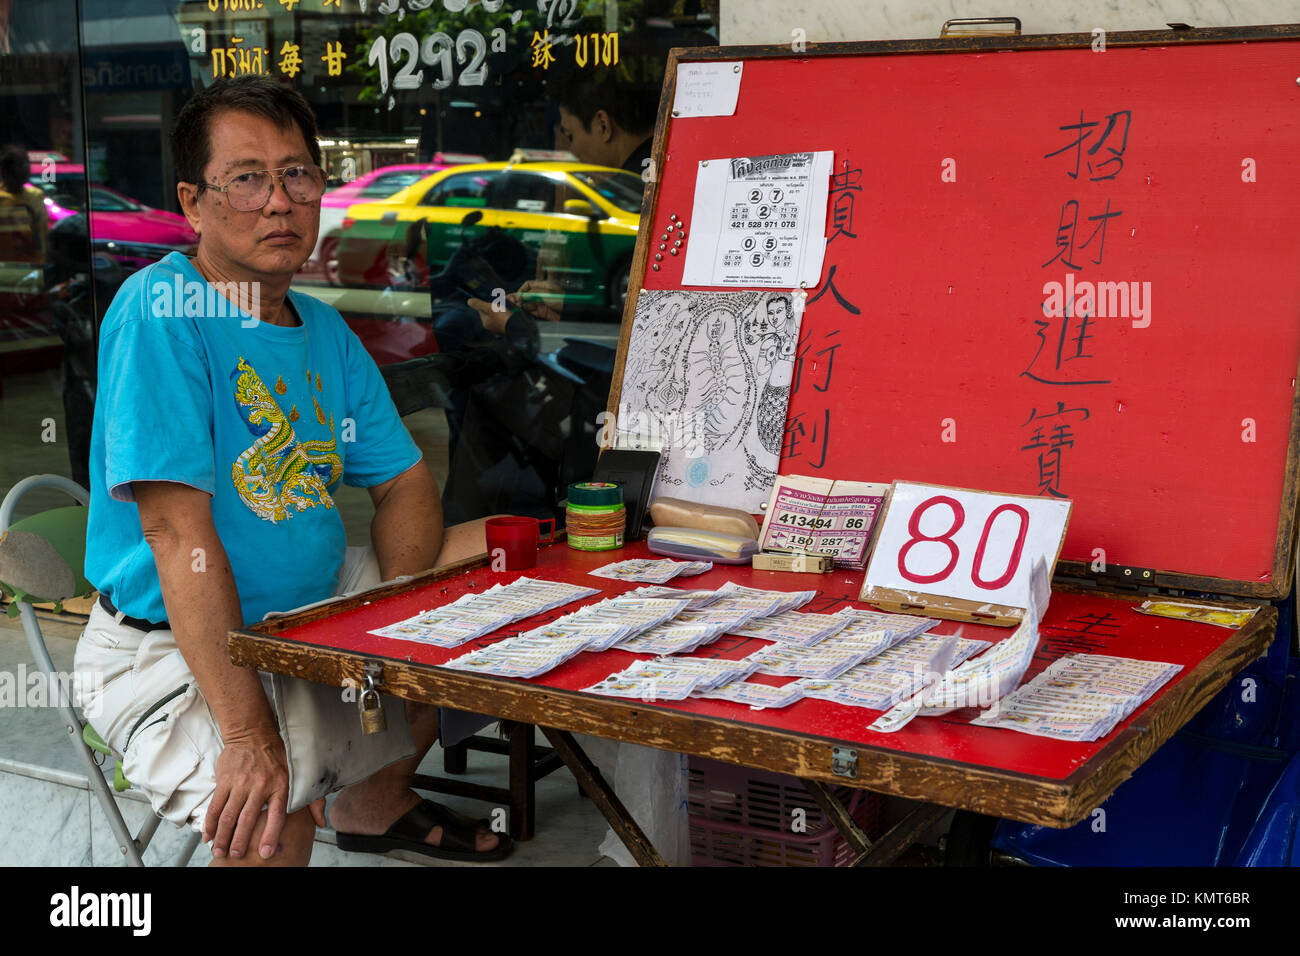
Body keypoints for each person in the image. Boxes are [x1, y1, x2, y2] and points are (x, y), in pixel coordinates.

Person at [73, 75, 507, 866]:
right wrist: (247, 736)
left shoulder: (324, 328)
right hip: (172, 647)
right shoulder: (161, 311)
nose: (279, 201)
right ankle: (305, 774)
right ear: (193, 203)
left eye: (298, 174)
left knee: (498, 560)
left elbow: (404, 484)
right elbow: (175, 535)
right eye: (246, 178)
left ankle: (371, 798)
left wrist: (390, 623)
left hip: (308, 620)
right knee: (272, 813)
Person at [0, 145, 48, 263]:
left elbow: (43, 233)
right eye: (20, 165)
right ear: (6, 171)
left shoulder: (36, 195)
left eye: (27, 163)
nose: (26, 168)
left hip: (34, 267)